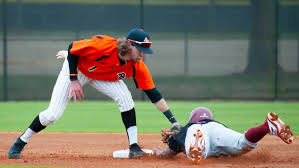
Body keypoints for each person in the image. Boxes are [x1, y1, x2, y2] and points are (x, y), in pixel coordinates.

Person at [8, 28, 181, 159]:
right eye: (140, 50)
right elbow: (73, 48)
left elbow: (154, 94)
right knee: (53, 114)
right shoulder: (104, 46)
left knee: (125, 98)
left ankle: (134, 146)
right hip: (78, 70)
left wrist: (174, 121)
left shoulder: (137, 66)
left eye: (145, 51)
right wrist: (74, 79)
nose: (143, 55)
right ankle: (20, 142)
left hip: (101, 76)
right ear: (129, 45)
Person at [154, 107, 294, 162]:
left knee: (197, 154)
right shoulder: (217, 125)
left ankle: (198, 145)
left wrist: (161, 153)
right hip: (217, 130)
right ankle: (266, 127)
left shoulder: (189, 127)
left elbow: (169, 152)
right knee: (242, 143)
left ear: (192, 119)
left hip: (197, 131)